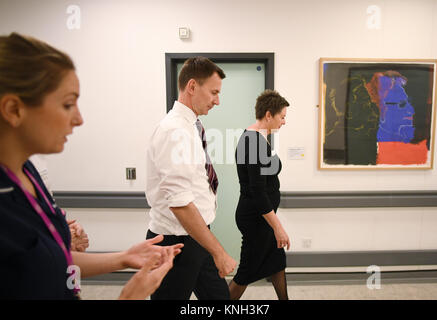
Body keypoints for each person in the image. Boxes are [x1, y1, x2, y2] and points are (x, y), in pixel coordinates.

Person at [0, 32, 183, 300]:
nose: (79, 119)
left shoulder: (28, 171)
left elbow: (48, 262)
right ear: (14, 110)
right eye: (67, 104)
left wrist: (123, 258)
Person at [146, 56, 237, 300]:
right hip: (175, 245)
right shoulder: (174, 131)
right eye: (214, 92)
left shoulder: (191, 126)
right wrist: (219, 252)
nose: (217, 101)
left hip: (197, 237)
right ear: (193, 86)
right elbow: (180, 202)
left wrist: (210, 247)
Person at [229, 89, 290, 300]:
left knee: (277, 263)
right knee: (245, 273)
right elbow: (258, 192)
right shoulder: (252, 142)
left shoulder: (260, 138)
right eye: (282, 117)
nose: (284, 122)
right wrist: (278, 227)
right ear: (268, 115)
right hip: (255, 218)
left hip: (262, 218)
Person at [30, 154, 89, 252]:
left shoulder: (36, 159)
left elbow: (43, 212)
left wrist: (64, 229)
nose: (67, 137)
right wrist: (58, 235)